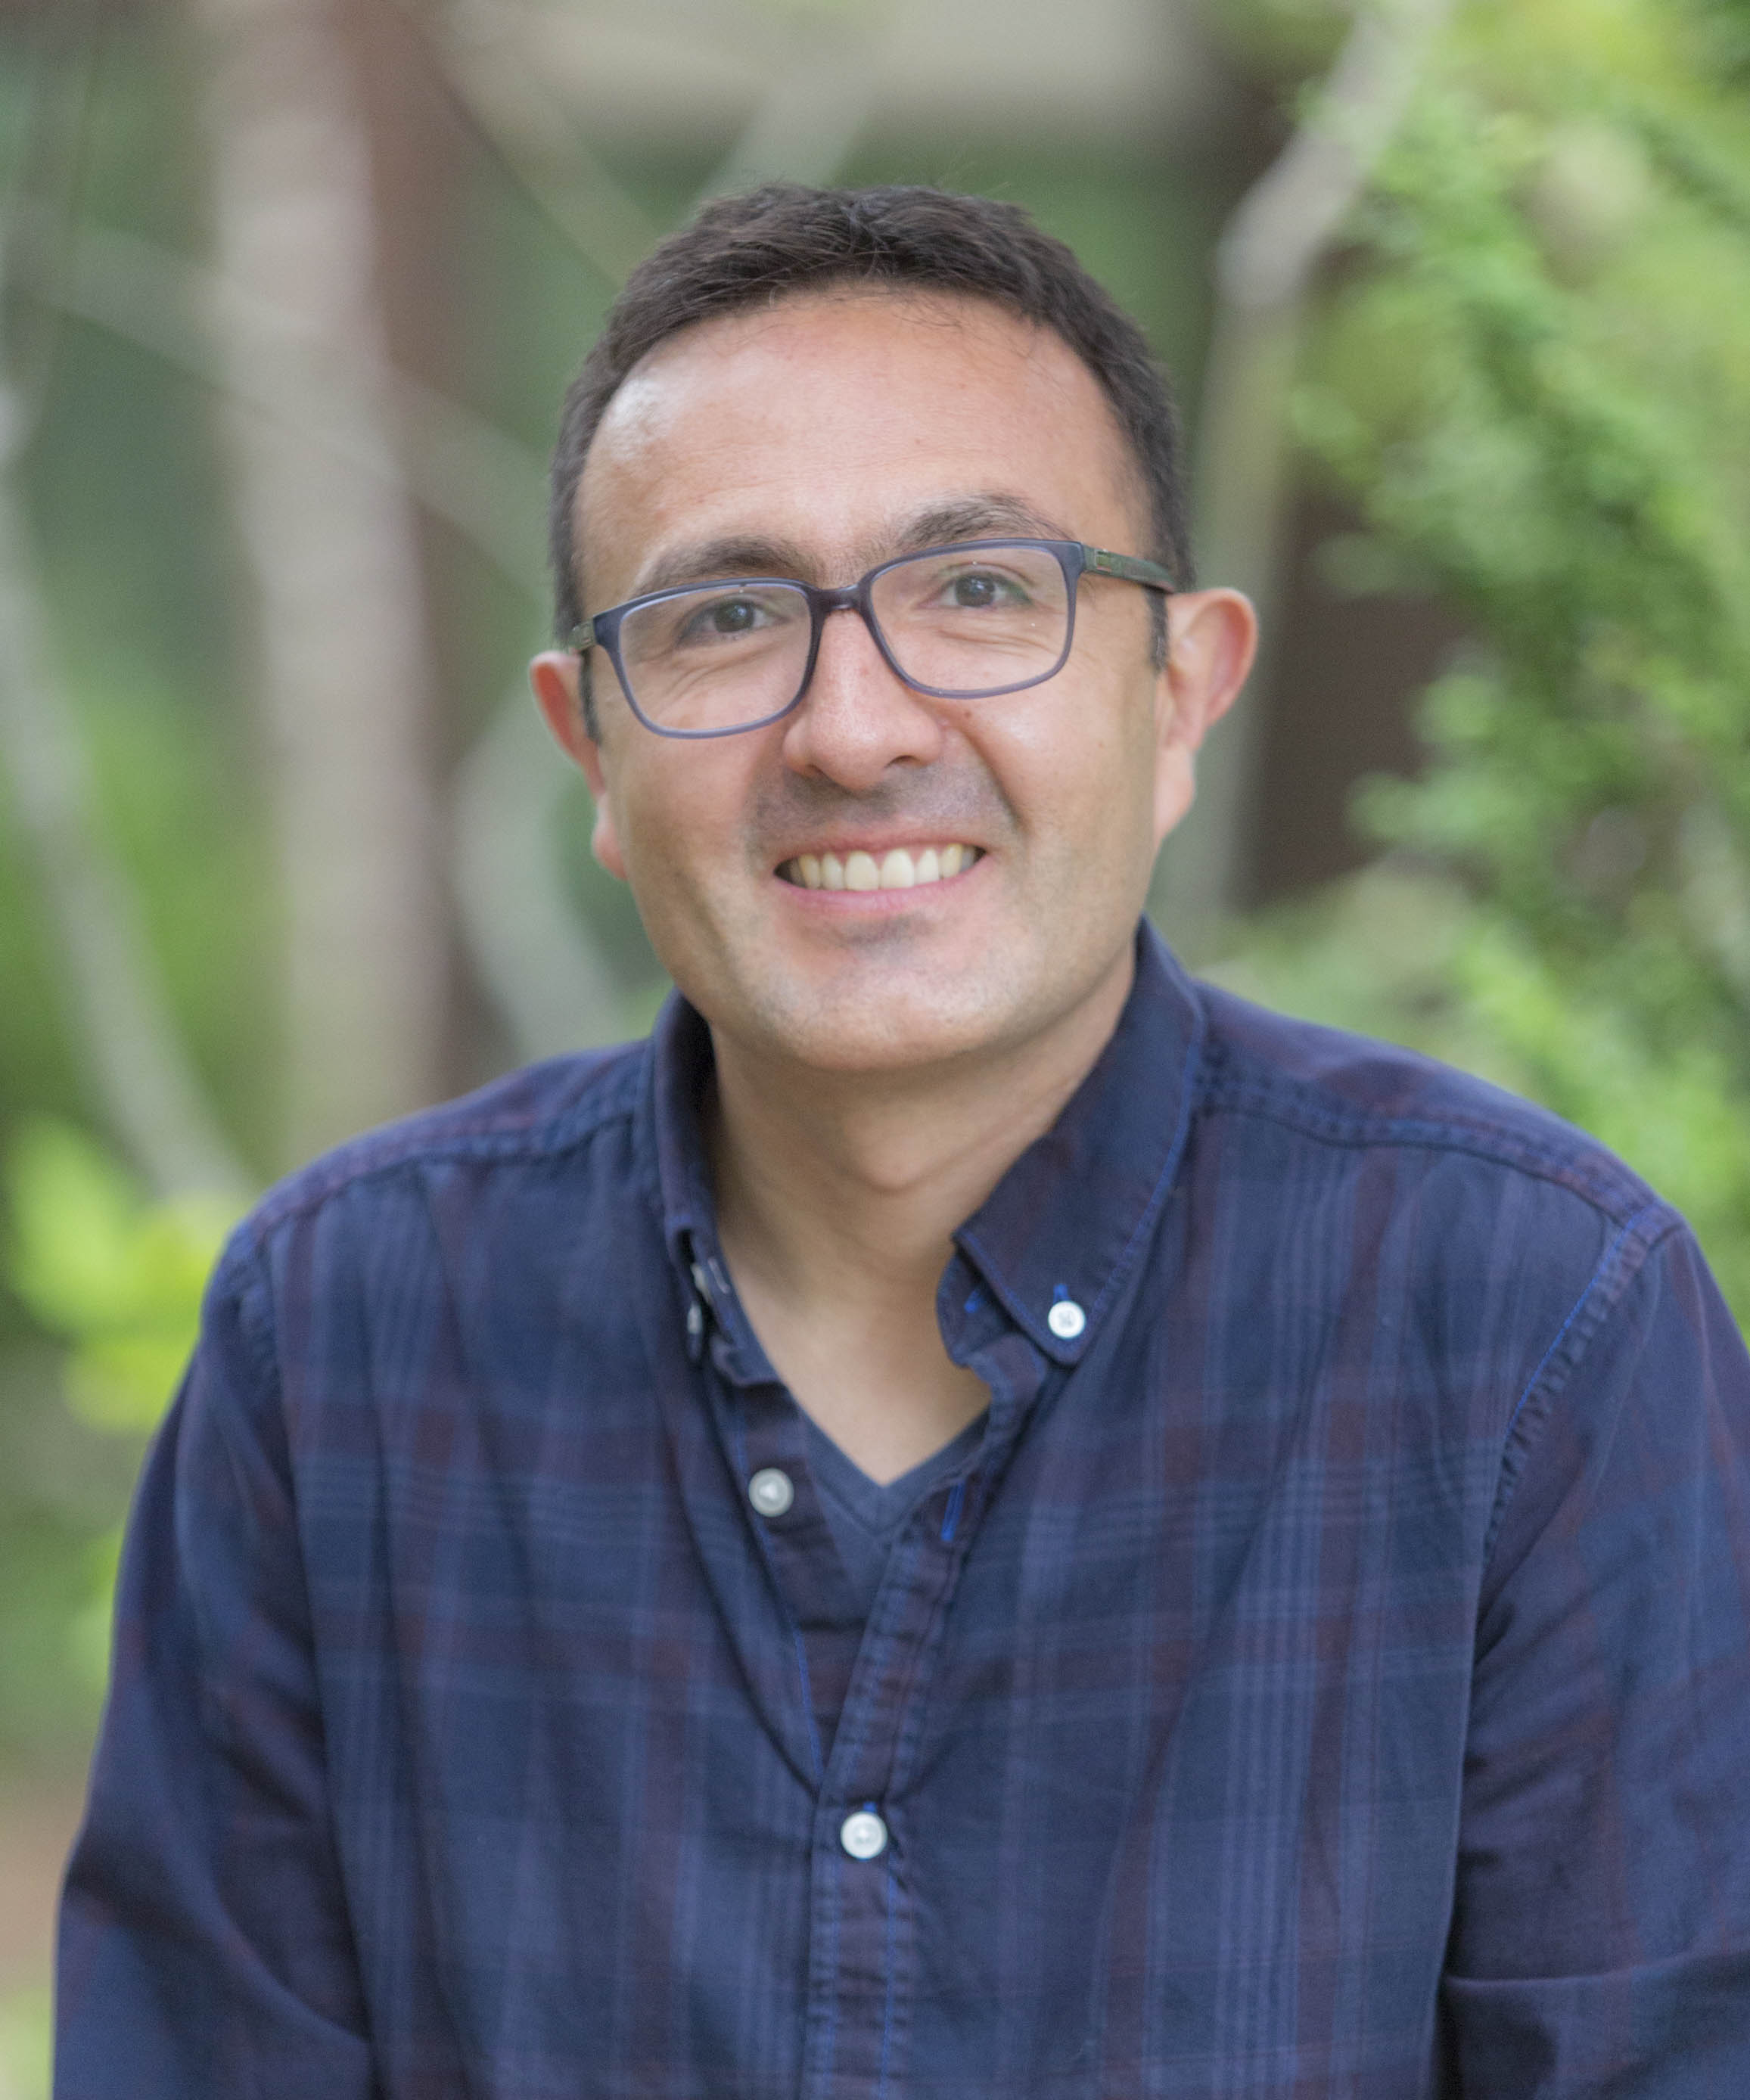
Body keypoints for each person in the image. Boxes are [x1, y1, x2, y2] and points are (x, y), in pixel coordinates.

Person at [55, 183, 1750, 2099]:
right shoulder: (339, 1341)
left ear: (1179, 692)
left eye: (980, 591)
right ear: (589, 747)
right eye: (723, 619)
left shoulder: (1531, 1328)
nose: (852, 730)